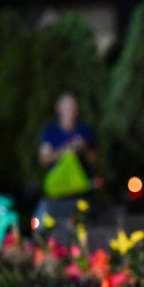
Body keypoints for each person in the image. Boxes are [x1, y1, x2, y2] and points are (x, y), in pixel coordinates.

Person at [33, 92, 97, 237]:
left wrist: (84, 148)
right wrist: (66, 151)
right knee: (48, 227)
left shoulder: (84, 131)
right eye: (66, 107)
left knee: (80, 230)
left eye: (73, 107)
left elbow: (94, 160)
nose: (70, 111)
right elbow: (44, 158)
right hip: (57, 192)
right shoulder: (51, 132)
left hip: (79, 191)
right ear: (59, 109)